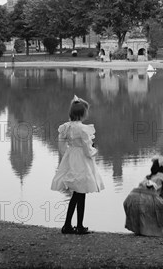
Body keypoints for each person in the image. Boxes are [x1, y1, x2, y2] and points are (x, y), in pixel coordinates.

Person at [51, 95, 104, 234]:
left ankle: (68, 225)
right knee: (81, 193)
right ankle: (79, 226)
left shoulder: (65, 127)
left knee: (76, 194)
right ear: (82, 114)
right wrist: (94, 149)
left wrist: (68, 154)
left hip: (71, 158)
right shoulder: (83, 129)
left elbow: (61, 147)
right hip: (82, 160)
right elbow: (87, 149)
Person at [123, 155, 163, 236]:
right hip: (148, 201)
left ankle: (141, 229)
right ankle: (159, 228)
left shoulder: (148, 177)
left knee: (148, 203)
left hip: (132, 198)